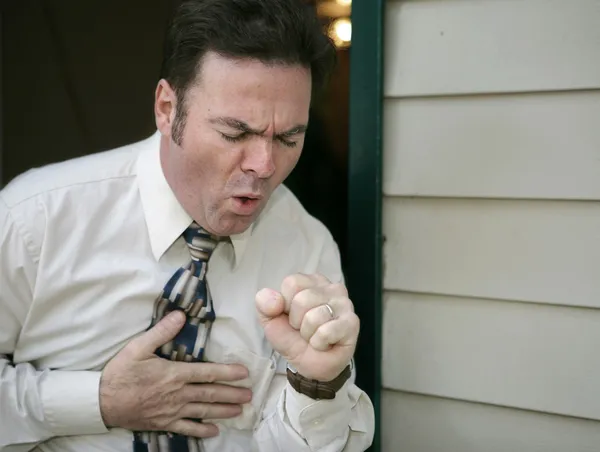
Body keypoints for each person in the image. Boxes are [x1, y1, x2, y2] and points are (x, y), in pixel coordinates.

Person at [0, 0, 375, 451]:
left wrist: (317, 383)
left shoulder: (306, 247)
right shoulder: (34, 219)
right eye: (235, 134)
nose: (263, 165)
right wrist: (97, 401)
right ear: (166, 108)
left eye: (288, 138)